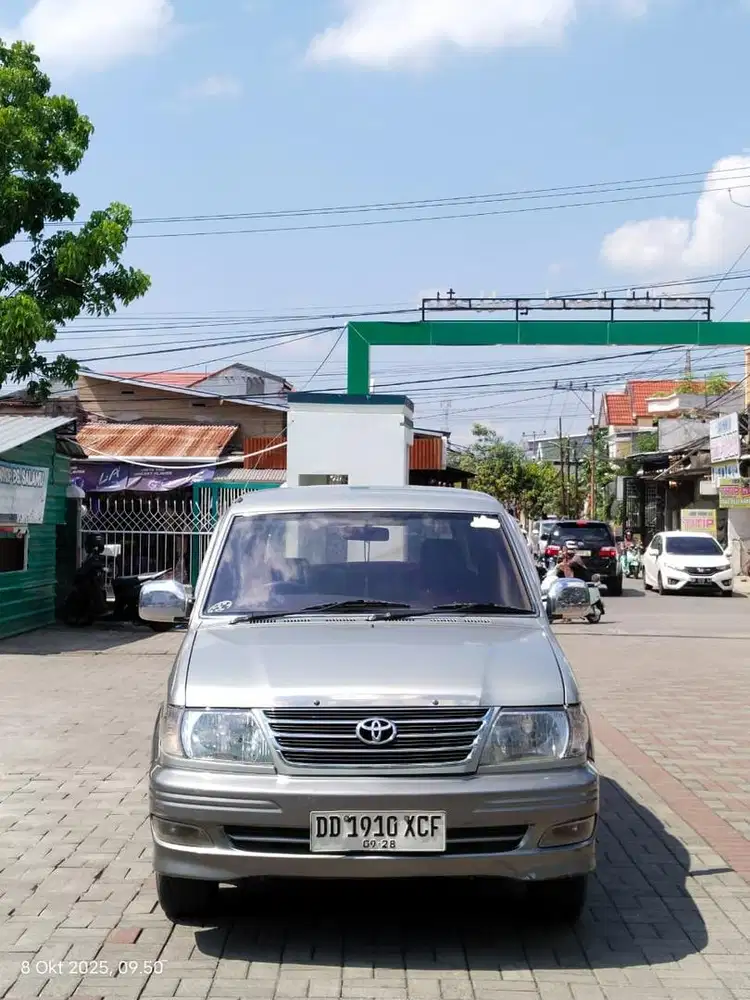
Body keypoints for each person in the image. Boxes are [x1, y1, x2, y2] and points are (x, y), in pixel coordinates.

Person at [555, 545, 605, 616]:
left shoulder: (576, 558)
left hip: (582, 579)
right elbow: (558, 566)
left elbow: (572, 564)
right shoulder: (563, 558)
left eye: (567, 550)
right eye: (564, 550)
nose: (565, 552)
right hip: (572, 581)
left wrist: (563, 564)